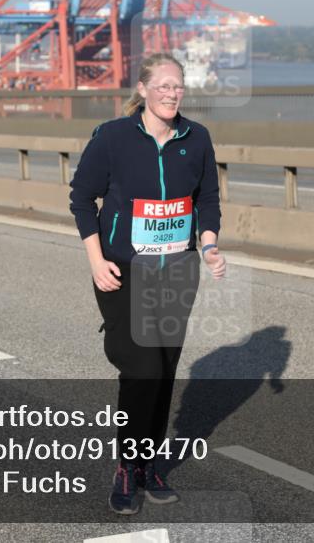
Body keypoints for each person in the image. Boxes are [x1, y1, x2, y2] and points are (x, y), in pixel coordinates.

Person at [69, 52, 227, 515]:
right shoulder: (113, 137)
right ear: (142, 89)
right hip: (122, 270)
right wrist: (96, 260)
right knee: (143, 369)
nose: (171, 94)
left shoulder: (196, 138)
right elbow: (82, 199)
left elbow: (208, 199)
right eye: (163, 86)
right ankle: (126, 466)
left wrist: (210, 246)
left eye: (177, 86)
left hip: (177, 271)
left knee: (164, 370)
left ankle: (148, 465)